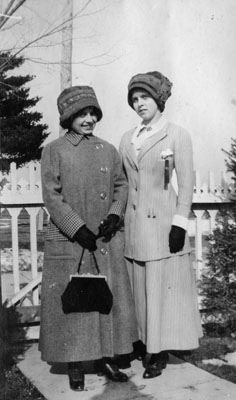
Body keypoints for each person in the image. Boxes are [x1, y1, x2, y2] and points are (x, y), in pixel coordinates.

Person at [39, 85, 138, 391]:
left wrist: (114, 215)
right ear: (68, 118)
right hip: (72, 239)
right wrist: (75, 226)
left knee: (103, 300)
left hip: (104, 240)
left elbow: (121, 186)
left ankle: (104, 357)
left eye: (93, 113)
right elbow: (51, 196)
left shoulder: (107, 149)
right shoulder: (54, 150)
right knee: (74, 300)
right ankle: (73, 363)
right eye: (82, 113)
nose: (89, 119)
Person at [119, 71, 203, 379]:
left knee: (159, 289)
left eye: (145, 98)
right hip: (133, 225)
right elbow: (124, 184)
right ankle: (142, 342)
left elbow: (184, 182)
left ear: (159, 100)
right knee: (138, 289)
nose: (140, 104)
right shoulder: (128, 138)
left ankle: (159, 350)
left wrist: (179, 223)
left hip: (162, 223)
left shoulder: (176, 134)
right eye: (135, 99)